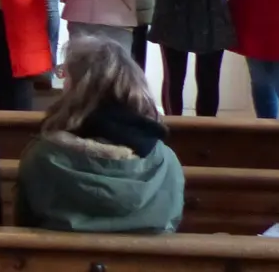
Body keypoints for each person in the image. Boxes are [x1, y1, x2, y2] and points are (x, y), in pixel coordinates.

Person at [14, 37, 185, 233]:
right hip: (149, 263)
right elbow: (172, 222)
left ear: (77, 90)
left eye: (66, 77)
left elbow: (25, 224)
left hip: (59, 262)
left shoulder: (42, 156)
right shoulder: (166, 161)